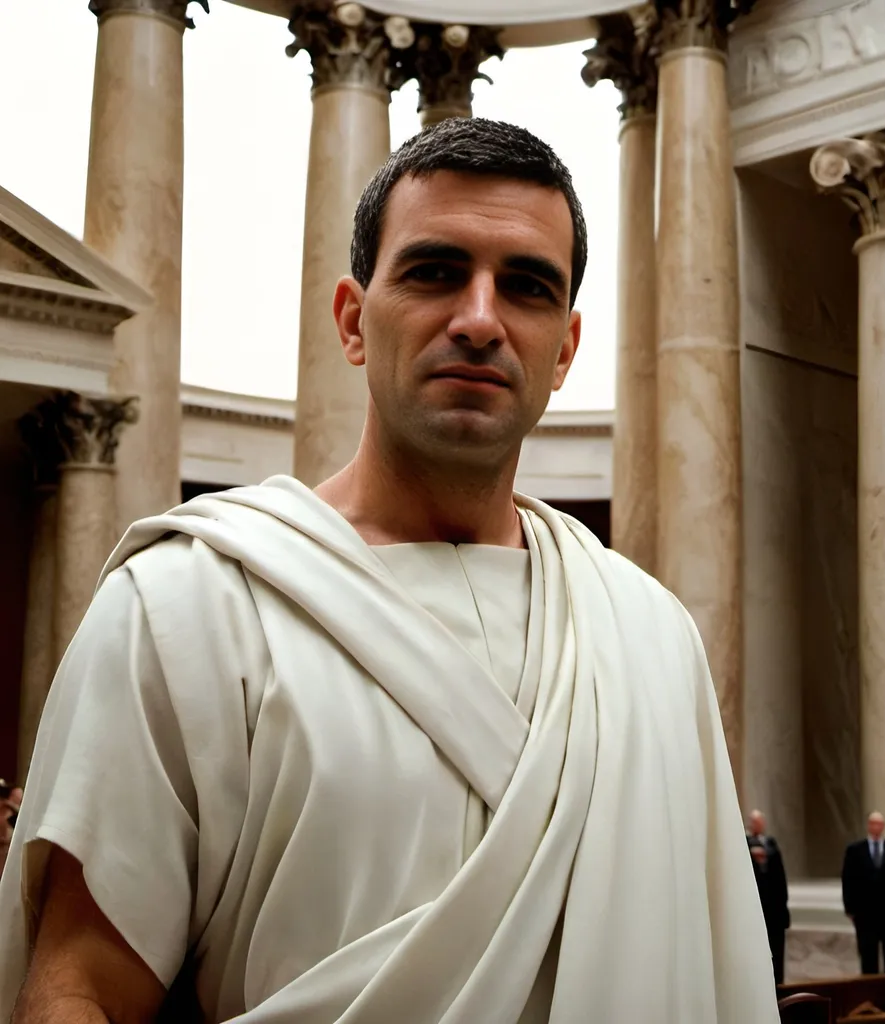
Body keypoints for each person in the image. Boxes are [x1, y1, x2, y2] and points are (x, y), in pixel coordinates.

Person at [0, 118, 779, 1023]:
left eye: (525, 287)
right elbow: (78, 983)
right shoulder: (186, 604)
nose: (480, 320)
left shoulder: (652, 635)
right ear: (351, 320)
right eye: (435, 272)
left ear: (564, 350)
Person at [842, 811, 885, 974]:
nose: (875, 827)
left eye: (879, 823)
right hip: (865, 914)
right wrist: (849, 908)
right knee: (868, 959)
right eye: (872, 823)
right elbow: (847, 880)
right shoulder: (854, 851)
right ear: (868, 825)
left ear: (883, 826)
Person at [746, 810, 790, 984]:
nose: (757, 825)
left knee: (777, 952)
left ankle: (779, 983)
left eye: (759, 821)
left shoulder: (771, 844)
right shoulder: (744, 844)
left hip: (775, 911)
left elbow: (781, 878)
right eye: (754, 822)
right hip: (756, 909)